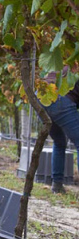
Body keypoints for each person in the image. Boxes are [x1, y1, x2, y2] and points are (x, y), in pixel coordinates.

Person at [41, 66, 79, 194]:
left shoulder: (67, 61)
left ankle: (57, 185)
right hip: (60, 99)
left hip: (41, 97)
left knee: (59, 142)